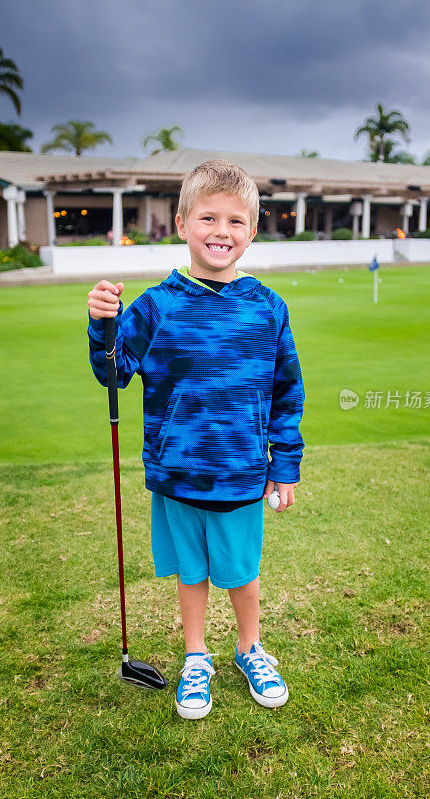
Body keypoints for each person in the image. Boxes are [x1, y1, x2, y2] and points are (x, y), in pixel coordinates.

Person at [87, 159, 305, 720]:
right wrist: (102, 325)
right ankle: (195, 655)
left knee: (241, 570)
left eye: (236, 222)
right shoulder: (157, 306)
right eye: (208, 217)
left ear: (252, 232)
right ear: (182, 224)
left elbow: (287, 391)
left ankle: (249, 648)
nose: (221, 232)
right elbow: (114, 371)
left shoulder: (268, 307)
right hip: (178, 469)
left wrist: (285, 464)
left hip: (241, 469)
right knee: (193, 571)